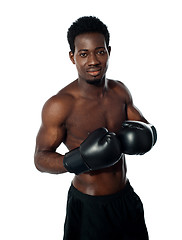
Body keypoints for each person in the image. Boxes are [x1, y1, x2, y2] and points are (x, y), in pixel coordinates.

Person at [34, 16, 157, 240]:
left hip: (125, 199)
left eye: (100, 51)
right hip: (88, 208)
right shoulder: (59, 105)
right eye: (84, 54)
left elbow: (144, 127)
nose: (93, 60)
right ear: (72, 57)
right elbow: (40, 159)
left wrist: (147, 134)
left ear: (109, 51)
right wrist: (80, 158)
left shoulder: (120, 92)